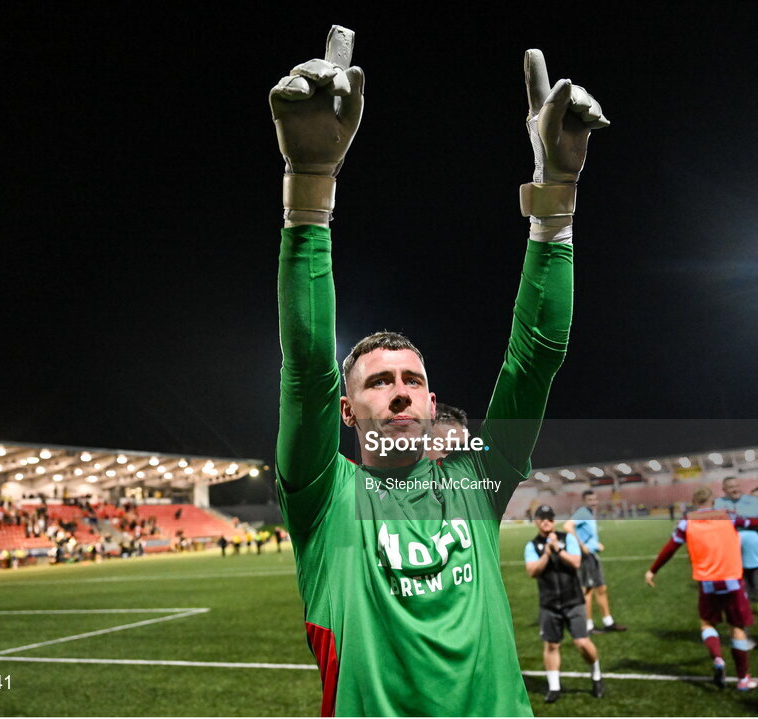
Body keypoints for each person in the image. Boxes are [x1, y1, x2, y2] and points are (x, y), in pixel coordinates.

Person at [271, 26, 607, 717]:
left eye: (412, 380)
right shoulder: (324, 498)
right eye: (377, 381)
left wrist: (556, 199)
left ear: (431, 402)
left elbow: (535, 356)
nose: (399, 392)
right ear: (346, 410)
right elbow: (306, 368)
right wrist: (309, 192)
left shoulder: (474, 482)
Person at [646, 487, 758, 691]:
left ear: (694, 501)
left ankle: (718, 659)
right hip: (733, 582)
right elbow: (757, 522)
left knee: (707, 624)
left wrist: (652, 570)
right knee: (736, 629)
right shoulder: (727, 517)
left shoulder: (686, 522)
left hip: (707, 583)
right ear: (713, 501)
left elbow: (670, 548)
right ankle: (743, 679)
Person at [525, 505, 603, 702]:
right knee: (551, 645)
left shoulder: (567, 539)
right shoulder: (532, 545)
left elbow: (576, 562)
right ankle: (554, 687)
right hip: (549, 603)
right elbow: (532, 571)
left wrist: (557, 550)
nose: (546, 521)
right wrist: (546, 554)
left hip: (573, 600)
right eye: (542, 518)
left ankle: (596, 674)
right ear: (536, 521)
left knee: (582, 642)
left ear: (554, 520)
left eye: (549, 518)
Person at [715, 477, 758, 653]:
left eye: (736, 486)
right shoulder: (718, 504)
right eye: (730, 487)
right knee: (738, 601)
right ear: (724, 489)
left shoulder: (753, 502)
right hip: (732, 562)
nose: (734, 489)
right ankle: (745, 636)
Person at [563, 490, 626, 632]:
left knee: (602, 588)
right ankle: (588, 626)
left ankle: (608, 622)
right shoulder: (583, 512)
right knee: (588, 591)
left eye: (594, 499)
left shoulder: (590, 514)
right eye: (590, 499)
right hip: (585, 558)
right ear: (585, 501)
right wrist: (582, 545)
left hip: (592, 555)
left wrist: (595, 544)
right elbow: (567, 526)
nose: (593, 502)